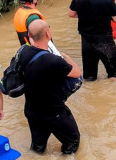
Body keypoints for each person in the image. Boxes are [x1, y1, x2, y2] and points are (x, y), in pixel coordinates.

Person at [18, 20, 82, 153]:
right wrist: (67, 57)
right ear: (48, 33)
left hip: (31, 110)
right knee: (72, 141)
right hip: (53, 112)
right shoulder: (54, 61)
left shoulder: (24, 52)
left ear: (29, 35)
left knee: (37, 148)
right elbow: (77, 73)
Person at [68, 0, 116, 81]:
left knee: (89, 77)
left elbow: (71, 14)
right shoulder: (108, 2)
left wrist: (85, 15)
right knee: (114, 76)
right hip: (105, 43)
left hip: (87, 43)